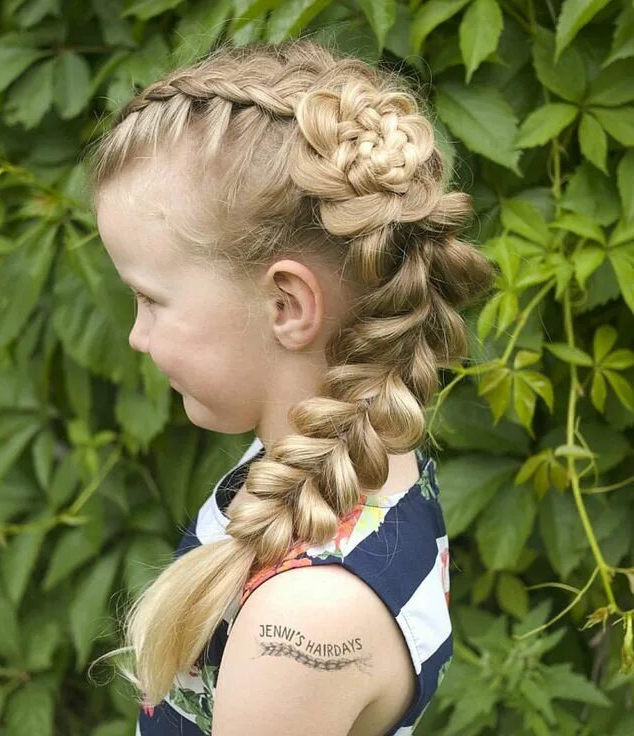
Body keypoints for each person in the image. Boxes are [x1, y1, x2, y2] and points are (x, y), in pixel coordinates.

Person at [84, 37, 495, 736]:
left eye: (150, 299)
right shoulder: (344, 457)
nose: (136, 334)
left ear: (287, 308)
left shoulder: (302, 622)